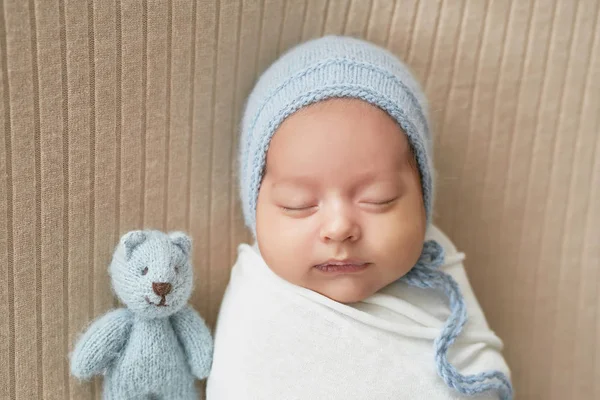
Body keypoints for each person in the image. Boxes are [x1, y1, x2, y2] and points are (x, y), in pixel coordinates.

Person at [206, 35, 513, 400]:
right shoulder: (257, 308)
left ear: (422, 201)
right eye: (298, 203)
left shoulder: (438, 275)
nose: (339, 228)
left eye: (377, 199)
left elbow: (482, 373)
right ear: (256, 209)